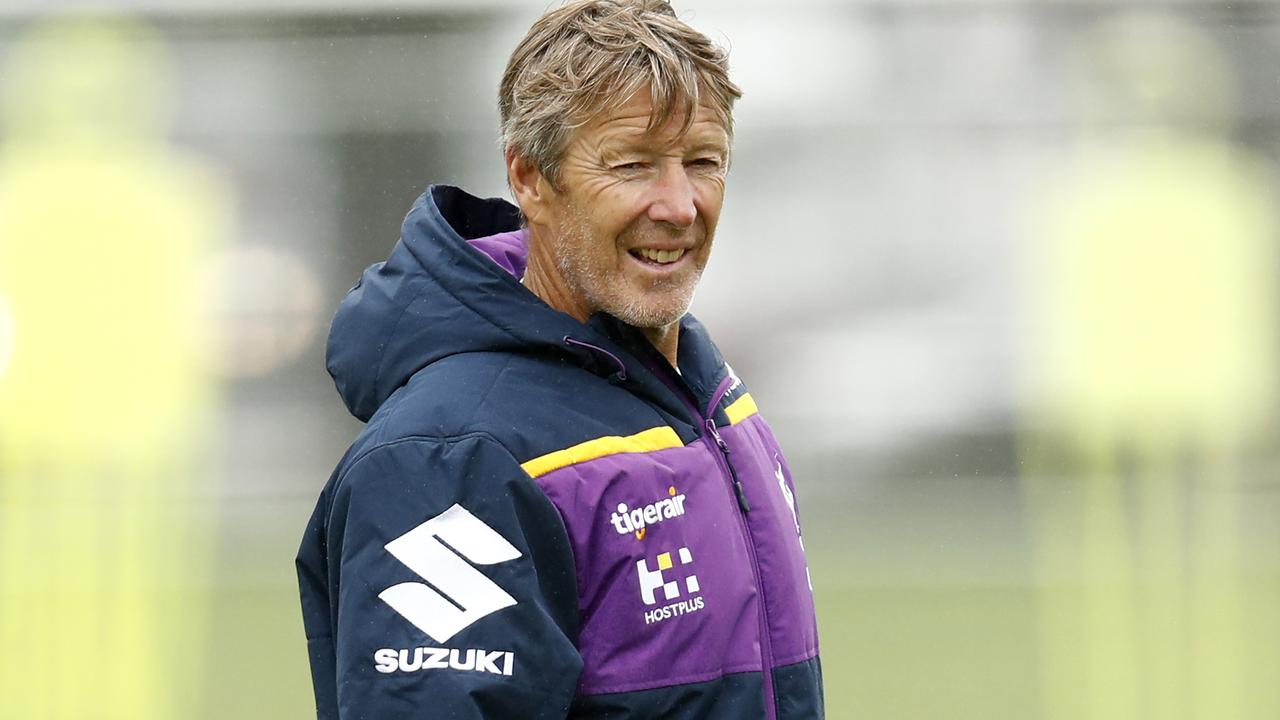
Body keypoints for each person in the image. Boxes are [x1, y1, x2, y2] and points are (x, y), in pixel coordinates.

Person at [295, 1, 822, 717]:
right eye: (632, 165)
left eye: (702, 162)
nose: (678, 205)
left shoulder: (704, 390)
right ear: (530, 178)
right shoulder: (452, 456)